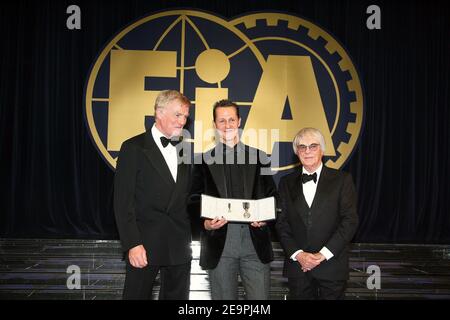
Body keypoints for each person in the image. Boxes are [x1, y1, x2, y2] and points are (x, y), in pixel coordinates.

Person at [191, 99, 278, 300]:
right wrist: (206, 223)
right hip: (220, 244)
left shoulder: (260, 157)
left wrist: (265, 217)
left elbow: (273, 196)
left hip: (254, 242)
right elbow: (193, 200)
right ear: (214, 125)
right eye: (222, 121)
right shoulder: (202, 161)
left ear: (239, 122)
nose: (227, 125)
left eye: (231, 119)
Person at [114, 90, 192, 300]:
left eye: (185, 116)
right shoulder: (133, 147)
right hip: (144, 245)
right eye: (178, 115)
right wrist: (132, 244)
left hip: (179, 245)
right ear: (159, 112)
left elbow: (188, 198)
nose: (182, 121)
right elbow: (123, 202)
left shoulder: (185, 151)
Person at [275, 127, 358, 300]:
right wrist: (299, 255)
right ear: (297, 152)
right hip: (299, 269)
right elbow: (281, 224)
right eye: (302, 147)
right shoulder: (285, 183)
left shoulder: (343, 180)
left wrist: (322, 255)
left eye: (313, 146)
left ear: (322, 149)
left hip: (332, 267)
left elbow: (350, 221)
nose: (307, 151)